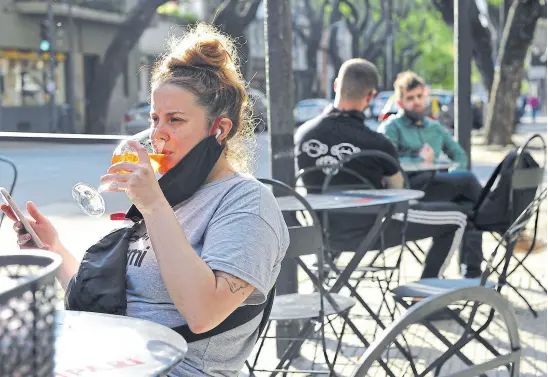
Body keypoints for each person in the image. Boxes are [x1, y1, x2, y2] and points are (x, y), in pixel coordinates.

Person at [1, 24, 289, 377]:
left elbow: (203, 314)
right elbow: (120, 301)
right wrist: (54, 249)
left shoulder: (248, 203)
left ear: (220, 129)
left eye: (175, 120)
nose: (157, 134)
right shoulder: (174, 195)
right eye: (155, 119)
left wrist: (154, 206)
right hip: (110, 358)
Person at [295, 58, 468, 279]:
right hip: (374, 231)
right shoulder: (376, 142)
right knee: (458, 218)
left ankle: (321, 287)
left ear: (336, 85)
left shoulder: (303, 135)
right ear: (371, 96)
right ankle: (422, 294)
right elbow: (400, 191)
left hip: (323, 233)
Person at [378, 71, 483, 278]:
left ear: (425, 96)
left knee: (469, 207)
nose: (416, 102)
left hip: (434, 187)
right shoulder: (391, 127)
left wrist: (454, 175)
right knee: (469, 182)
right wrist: (418, 159)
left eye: (419, 96)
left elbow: (459, 155)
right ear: (400, 102)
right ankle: (504, 224)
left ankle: (471, 273)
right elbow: (386, 163)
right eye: (410, 98)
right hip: (408, 190)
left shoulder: (435, 127)